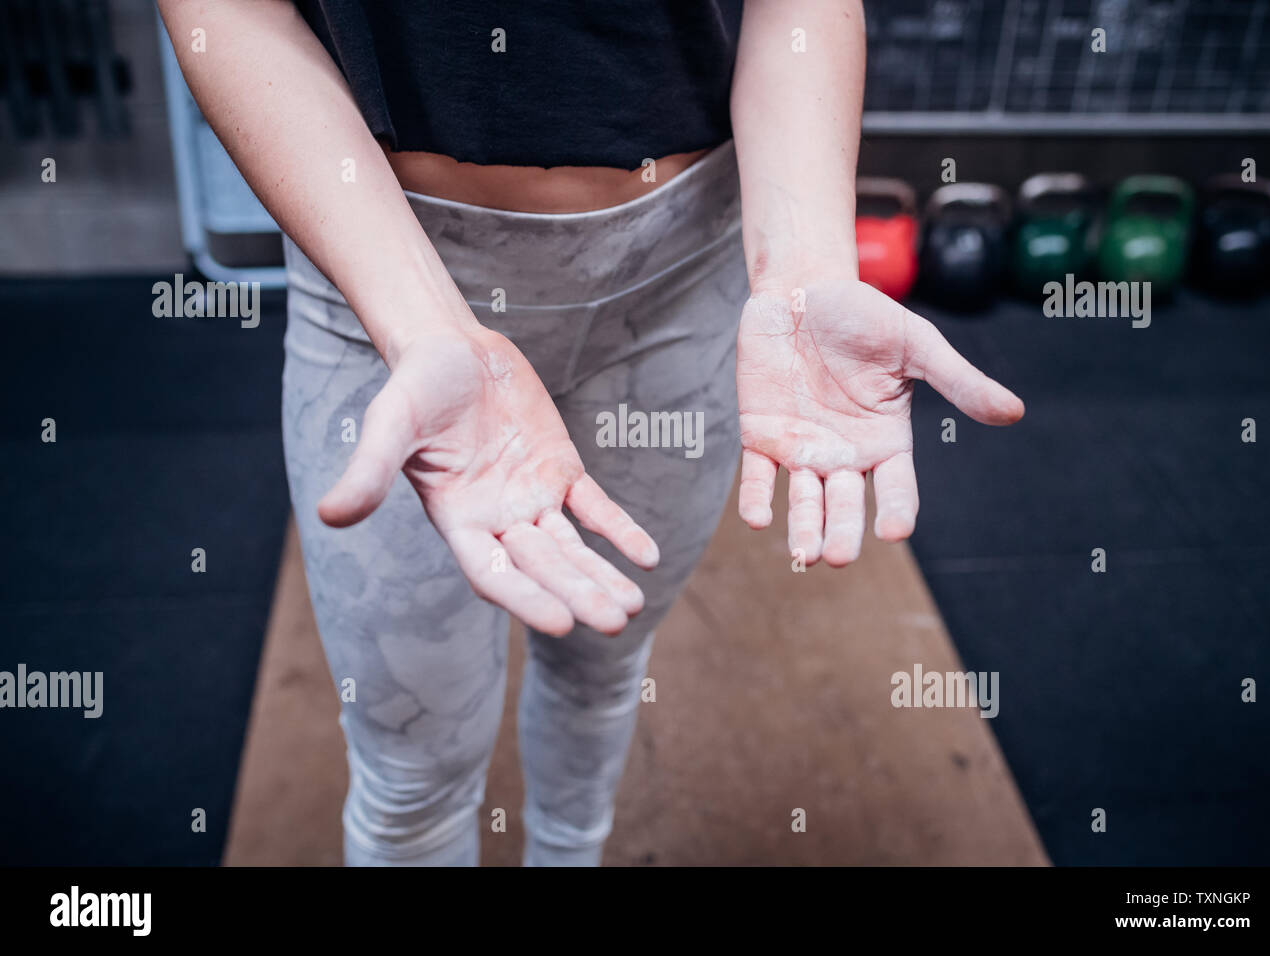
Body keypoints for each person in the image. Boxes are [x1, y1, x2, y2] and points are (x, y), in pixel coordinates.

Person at [158, 0, 1024, 866]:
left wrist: (805, 272)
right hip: (382, 278)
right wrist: (422, 326)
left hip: (677, 275)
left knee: (603, 667)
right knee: (412, 771)